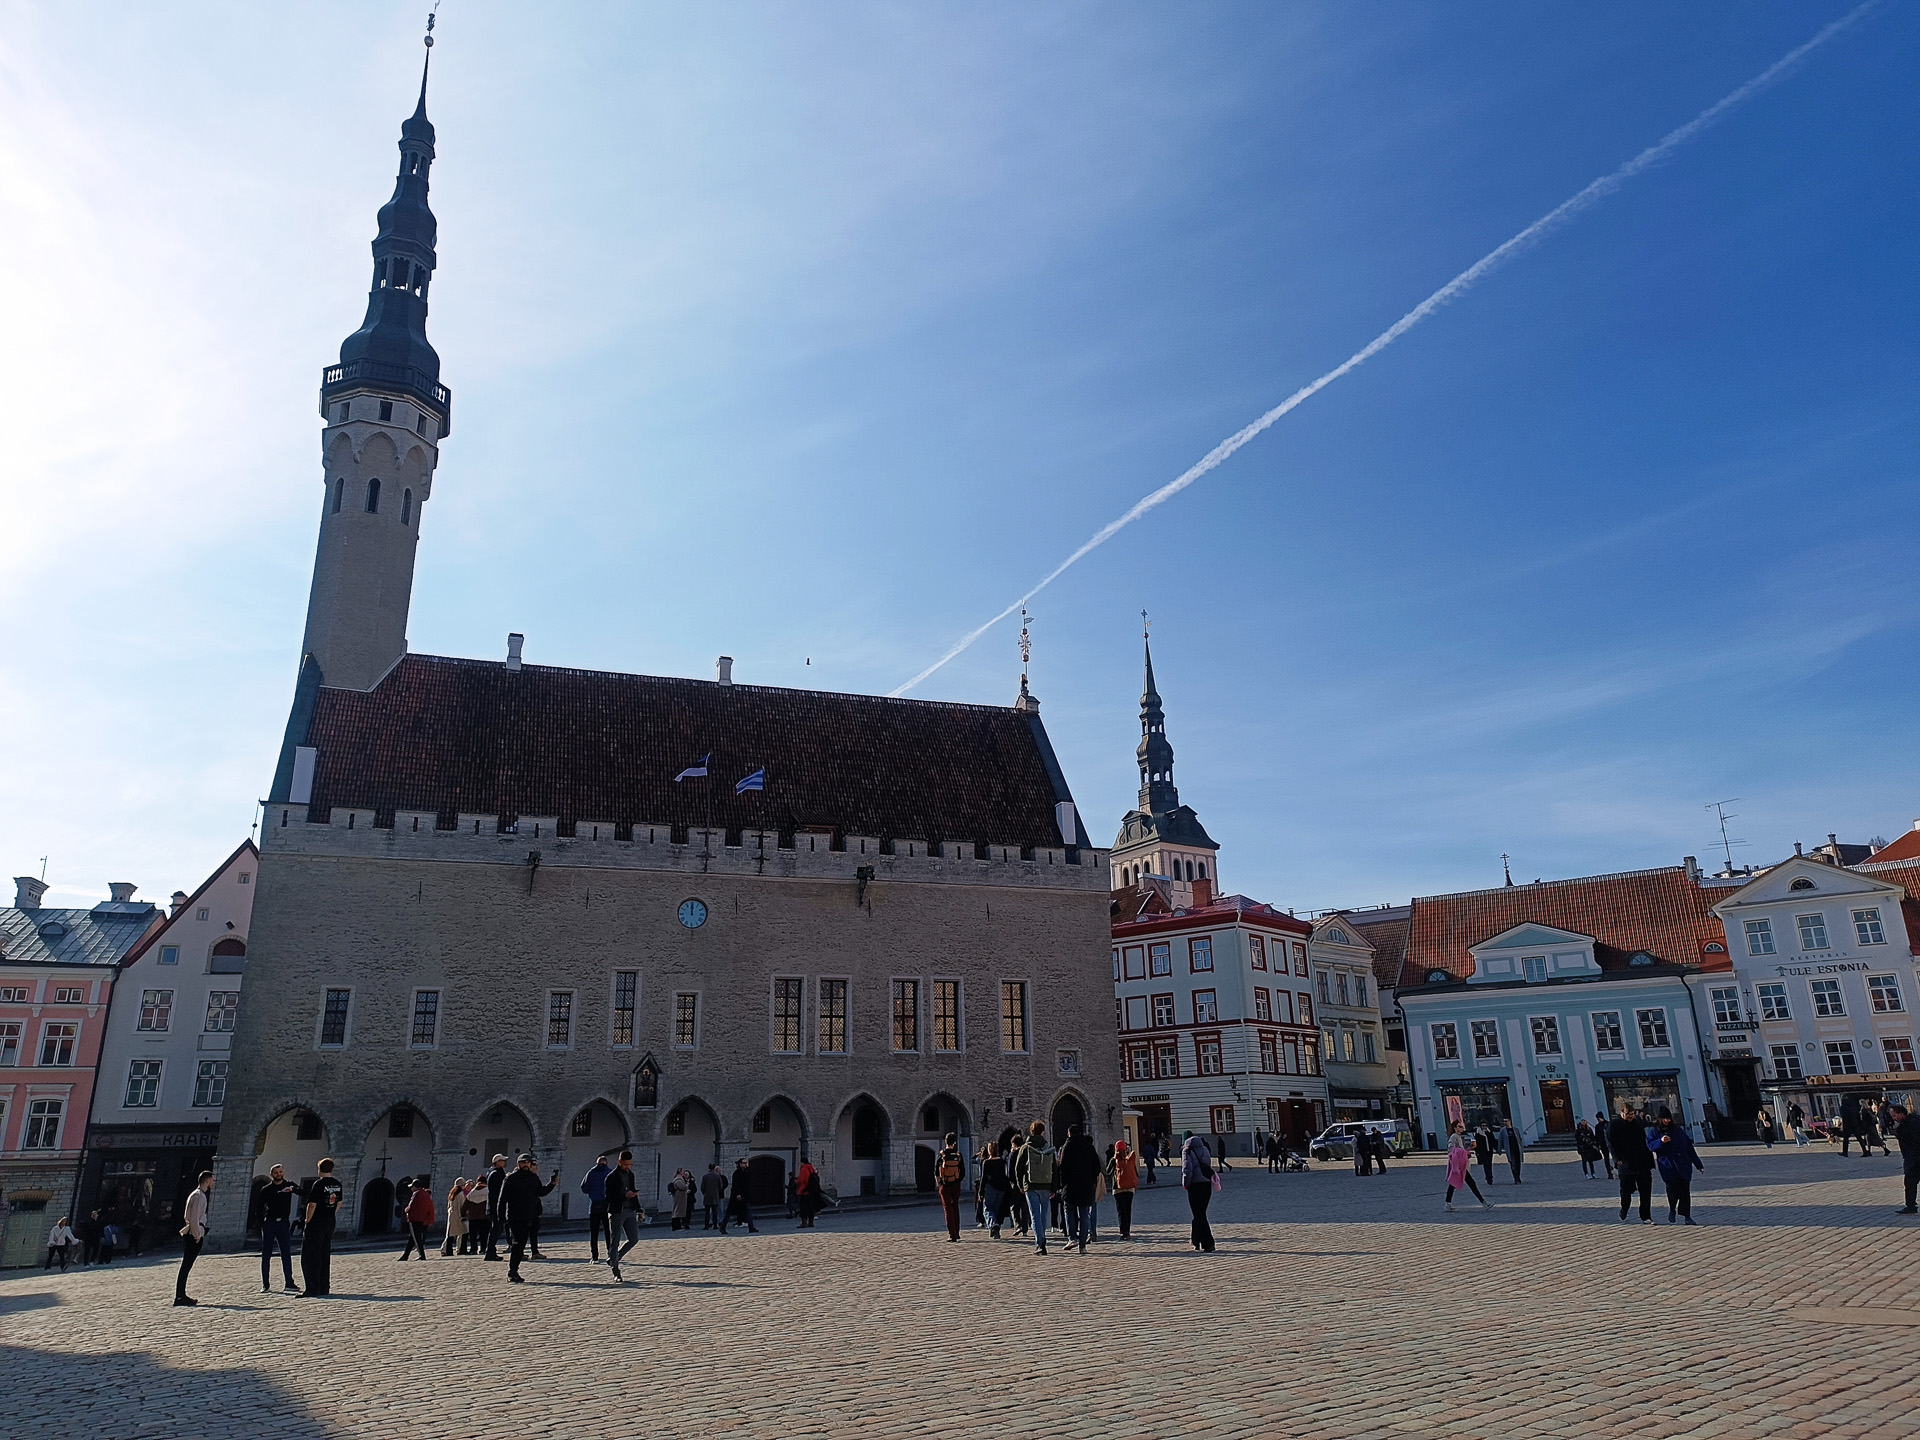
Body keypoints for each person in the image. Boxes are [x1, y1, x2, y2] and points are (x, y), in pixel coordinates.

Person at [498, 1154, 558, 1283]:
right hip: (514, 1216)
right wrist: (501, 1217)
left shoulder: (533, 1178)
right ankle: (512, 1271)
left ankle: (514, 1270)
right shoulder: (511, 1179)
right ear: (518, 1164)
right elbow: (502, 1199)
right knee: (518, 1243)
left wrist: (552, 1184)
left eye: (528, 1163)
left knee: (521, 1243)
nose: (525, 1165)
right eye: (523, 1163)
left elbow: (540, 1192)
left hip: (528, 1215)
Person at [1650, 1107, 1704, 1224]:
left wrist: (1698, 1164)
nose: (1667, 1121)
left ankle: (1687, 1216)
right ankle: (1672, 1209)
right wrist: (1660, 1141)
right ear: (1660, 1119)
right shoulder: (1655, 1131)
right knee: (1672, 1190)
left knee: (1685, 1191)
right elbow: (1650, 1145)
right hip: (1668, 1165)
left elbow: (1689, 1148)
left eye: (1669, 1118)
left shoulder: (1678, 1130)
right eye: (1665, 1118)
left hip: (1683, 1164)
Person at [300, 1158, 344, 1295]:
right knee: (324, 1254)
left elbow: (312, 1204)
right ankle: (324, 1287)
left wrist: (308, 1219)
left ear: (319, 1168)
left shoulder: (318, 1184)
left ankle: (312, 1287)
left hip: (316, 1222)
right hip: (330, 1221)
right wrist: (330, 1212)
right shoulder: (337, 1184)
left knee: (311, 1255)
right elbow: (339, 1203)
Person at [1012, 1120, 1057, 1255]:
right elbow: (1054, 1168)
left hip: (1030, 1185)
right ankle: (1042, 1238)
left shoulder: (1025, 1148)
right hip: (1046, 1183)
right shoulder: (1048, 1147)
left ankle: (1040, 1243)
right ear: (1043, 1131)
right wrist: (1054, 1187)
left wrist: (1020, 1185)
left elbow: (1018, 1168)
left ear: (1031, 1131)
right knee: (1043, 1215)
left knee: (1035, 1214)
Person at [258, 1164, 302, 1292]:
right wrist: (262, 1225)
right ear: (271, 1174)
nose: (279, 1174)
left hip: (283, 1223)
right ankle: (265, 1284)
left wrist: (293, 1189)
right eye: (276, 1172)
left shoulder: (289, 1185)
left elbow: (304, 1192)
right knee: (266, 1255)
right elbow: (259, 1208)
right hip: (270, 1223)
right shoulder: (266, 1189)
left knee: (286, 1253)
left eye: (281, 1172)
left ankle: (289, 1283)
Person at [1058, 1124, 1100, 1253]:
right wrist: (1091, 1180)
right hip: (1086, 1186)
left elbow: (1062, 1167)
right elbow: (1097, 1167)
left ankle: (1072, 1238)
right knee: (1084, 1214)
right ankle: (1082, 1245)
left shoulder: (1067, 1147)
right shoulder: (1089, 1147)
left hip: (1070, 1186)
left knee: (1069, 1211)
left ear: (1069, 1134)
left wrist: (1061, 1184)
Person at [174, 1171, 213, 1307]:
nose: (213, 1183)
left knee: (187, 1265)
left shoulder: (198, 1195)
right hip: (194, 1234)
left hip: (194, 1231)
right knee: (186, 1265)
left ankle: (181, 1295)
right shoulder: (199, 1196)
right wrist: (197, 1235)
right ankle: (180, 1296)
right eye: (212, 1180)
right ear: (207, 1181)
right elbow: (194, 1218)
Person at [1609, 1105, 1654, 1225]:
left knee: (1646, 1190)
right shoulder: (1614, 1125)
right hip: (1625, 1163)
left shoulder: (1637, 1123)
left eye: (1632, 1114)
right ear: (1621, 1113)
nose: (1630, 1116)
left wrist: (1650, 1160)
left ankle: (1646, 1216)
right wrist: (1616, 1159)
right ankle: (1624, 1209)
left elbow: (1644, 1142)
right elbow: (1611, 1143)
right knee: (1626, 1191)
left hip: (1642, 1162)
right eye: (1628, 1114)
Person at [606, 1150, 642, 1279]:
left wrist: (639, 1209)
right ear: (619, 1162)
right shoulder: (611, 1177)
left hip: (630, 1211)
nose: (628, 1167)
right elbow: (608, 1196)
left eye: (630, 1164)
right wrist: (624, 1196)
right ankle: (616, 1270)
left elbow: (633, 1191)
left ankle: (615, 1258)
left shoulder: (630, 1175)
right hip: (617, 1212)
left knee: (634, 1239)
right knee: (614, 1241)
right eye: (626, 1164)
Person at [1181, 1131, 1216, 1253]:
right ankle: (1196, 1240)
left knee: (1198, 1214)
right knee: (1200, 1213)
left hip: (1195, 1185)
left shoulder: (1187, 1151)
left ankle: (1208, 1243)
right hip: (1207, 1184)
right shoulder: (1204, 1149)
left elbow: (1187, 1169)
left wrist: (1186, 1183)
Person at [1444, 1124, 1491, 1211]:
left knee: (1453, 1184)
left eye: (1462, 1126)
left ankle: (1448, 1203)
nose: (1462, 1128)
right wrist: (1463, 1152)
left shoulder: (1459, 1137)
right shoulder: (1454, 1137)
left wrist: (1468, 1150)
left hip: (1461, 1165)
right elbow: (1451, 1149)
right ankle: (1484, 1202)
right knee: (1470, 1183)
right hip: (1458, 1166)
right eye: (1459, 1126)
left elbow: (1460, 1150)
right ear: (1455, 1128)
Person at [1885, 1102, 1919, 1215]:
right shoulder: (1905, 1124)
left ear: (1901, 1113)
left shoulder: (1913, 1123)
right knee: (1909, 1183)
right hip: (1911, 1158)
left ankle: (1910, 1205)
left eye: (1894, 1115)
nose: (1894, 1118)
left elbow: (1915, 1141)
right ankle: (1910, 1205)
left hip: (1915, 1158)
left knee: (1910, 1182)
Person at [934, 1132, 966, 1242]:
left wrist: (940, 1183)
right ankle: (957, 1233)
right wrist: (956, 1181)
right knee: (955, 1207)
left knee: (948, 1209)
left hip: (945, 1185)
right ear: (955, 1143)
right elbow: (963, 1173)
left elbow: (936, 1172)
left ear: (945, 1142)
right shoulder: (958, 1155)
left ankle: (952, 1235)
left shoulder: (942, 1155)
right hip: (955, 1185)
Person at [579, 1153, 612, 1262]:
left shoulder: (591, 1173)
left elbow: (584, 1188)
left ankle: (595, 1256)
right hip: (607, 1205)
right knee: (608, 1231)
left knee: (594, 1232)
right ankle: (611, 1254)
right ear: (606, 1163)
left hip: (594, 1204)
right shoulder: (610, 1173)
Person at [1107, 1138, 1139, 1239]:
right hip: (1129, 1188)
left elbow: (1108, 1171)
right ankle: (1127, 1232)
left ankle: (1123, 1231)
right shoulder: (1129, 1159)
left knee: (1121, 1210)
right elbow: (1135, 1171)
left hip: (1118, 1188)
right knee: (1128, 1209)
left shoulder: (1114, 1160)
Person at [399, 1177, 435, 1259]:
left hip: (415, 1218)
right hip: (422, 1218)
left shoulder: (416, 1193)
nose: (411, 1188)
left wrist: (406, 1210)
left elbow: (411, 1206)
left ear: (415, 1186)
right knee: (412, 1238)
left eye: (412, 1186)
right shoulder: (426, 1194)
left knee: (416, 1238)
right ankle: (405, 1255)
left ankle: (422, 1255)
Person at [482, 1153, 509, 1261]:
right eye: (502, 1160)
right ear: (497, 1162)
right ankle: (490, 1252)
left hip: (494, 1205)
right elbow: (500, 1190)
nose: (504, 1162)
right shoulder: (496, 1174)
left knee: (497, 1228)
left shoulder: (492, 1172)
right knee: (496, 1229)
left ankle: (491, 1251)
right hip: (496, 1205)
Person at [723, 1158, 759, 1234]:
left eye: (746, 1163)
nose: (745, 1164)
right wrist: (738, 1194)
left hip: (745, 1196)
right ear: (740, 1164)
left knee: (748, 1211)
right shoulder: (737, 1173)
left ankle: (751, 1227)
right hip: (736, 1196)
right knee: (729, 1212)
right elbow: (735, 1185)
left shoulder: (747, 1172)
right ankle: (722, 1227)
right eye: (744, 1163)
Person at [461, 1177, 489, 1254]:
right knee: (484, 1234)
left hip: (473, 1217)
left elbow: (464, 1207)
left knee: (473, 1234)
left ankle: (473, 1249)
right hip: (484, 1216)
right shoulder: (487, 1191)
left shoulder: (472, 1193)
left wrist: (463, 1214)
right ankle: (483, 1248)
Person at [794, 1158, 824, 1228]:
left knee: (803, 1207)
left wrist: (796, 1181)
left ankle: (804, 1222)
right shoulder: (811, 1168)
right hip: (812, 1191)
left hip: (804, 1191)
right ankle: (811, 1222)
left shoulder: (804, 1168)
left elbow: (801, 1180)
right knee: (811, 1207)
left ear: (802, 1162)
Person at [442, 1178, 468, 1257]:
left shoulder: (452, 1193)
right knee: (464, 1232)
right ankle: (462, 1250)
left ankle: (448, 1250)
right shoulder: (460, 1194)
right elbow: (462, 1206)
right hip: (458, 1215)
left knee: (450, 1234)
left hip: (452, 1215)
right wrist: (463, 1215)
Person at [699, 1164, 726, 1231]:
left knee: (707, 1212)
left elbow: (702, 1187)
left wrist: (705, 1193)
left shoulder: (705, 1177)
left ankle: (706, 1225)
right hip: (715, 1196)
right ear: (714, 1168)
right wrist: (716, 1192)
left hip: (707, 1196)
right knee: (715, 1212)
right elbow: (720, 1186)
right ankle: (715, 1225)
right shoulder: (717, 1176)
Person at [1593, 1112, 1614, 1179]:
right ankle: (1609, 1173)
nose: (1598, 1119)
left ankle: (1615, 1170)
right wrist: (1597, 1145)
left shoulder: (1608, 1124)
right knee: (1606, 1159)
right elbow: (1597, 1137)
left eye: (1598, 1118)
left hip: (1610, 1143)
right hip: (1603, 1144)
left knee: (1614, 1157)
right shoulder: (1598, 1126)